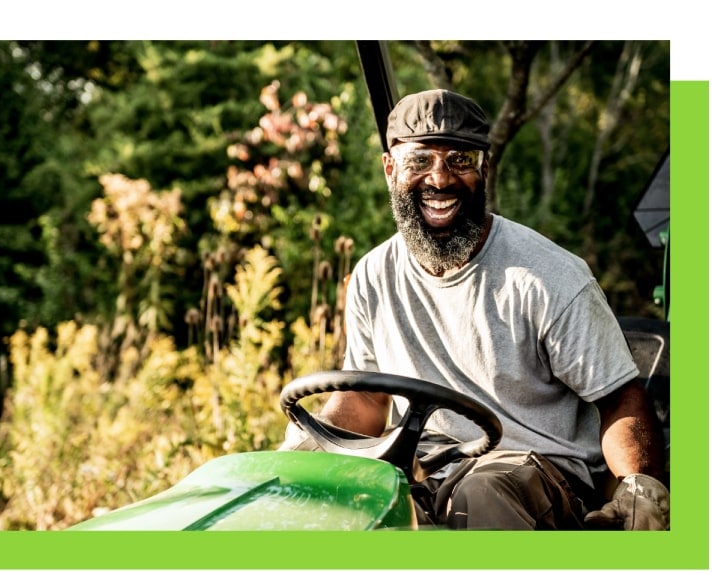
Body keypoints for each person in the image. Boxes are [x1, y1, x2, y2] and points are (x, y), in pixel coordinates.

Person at [280, 88, 669, 530]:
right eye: (419, 161)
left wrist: (640, 486)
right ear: (390, 169)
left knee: (479, 491)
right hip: (425, 474)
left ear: (484, 169)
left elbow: (620, 398)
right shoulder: (374, 274)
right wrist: (309, 450)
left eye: (460, 160)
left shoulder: (548, 276)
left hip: (542, 477)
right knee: (339, 505)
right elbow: (367, 399)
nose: (440, 179)